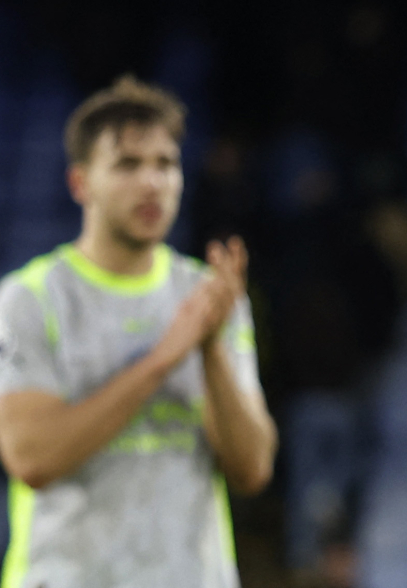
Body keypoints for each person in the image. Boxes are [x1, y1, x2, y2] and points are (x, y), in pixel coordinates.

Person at [0, 76, 277, 587]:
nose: (152, 183)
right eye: (127, 165)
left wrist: (211, 351)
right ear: (80, 183)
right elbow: (31, 457)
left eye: (166, 164)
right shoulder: (29, 299)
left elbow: (252, 468)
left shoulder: (209, 297)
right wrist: (163, 358)